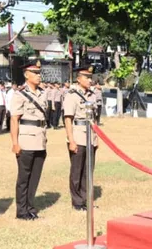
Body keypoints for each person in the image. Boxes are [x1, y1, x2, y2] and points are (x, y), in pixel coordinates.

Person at [10, 60, 47, 220]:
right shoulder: (20, 94)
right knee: (24, 177)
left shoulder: (43, 93)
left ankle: (31, 207)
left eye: (39, 73)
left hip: (40, 139)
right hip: (26, 139)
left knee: (35, 176)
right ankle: (21, 210)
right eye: (35, 73)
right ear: (26, 75)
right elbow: (14, 120)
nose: (39, 76)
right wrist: (15, 143)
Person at [63, 66, 98, 211]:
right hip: (78, 134)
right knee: (77, 171)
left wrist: (96, 138)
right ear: (78, 79)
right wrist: (71, 139)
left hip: (91, 135)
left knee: (88, 171)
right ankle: (77, 202)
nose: (90, 80)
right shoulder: (71, 95)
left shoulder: (92, 95)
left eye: (90, 77)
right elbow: (68, 119)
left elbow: (94, 119)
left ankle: (86, 200)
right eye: (86, 77)